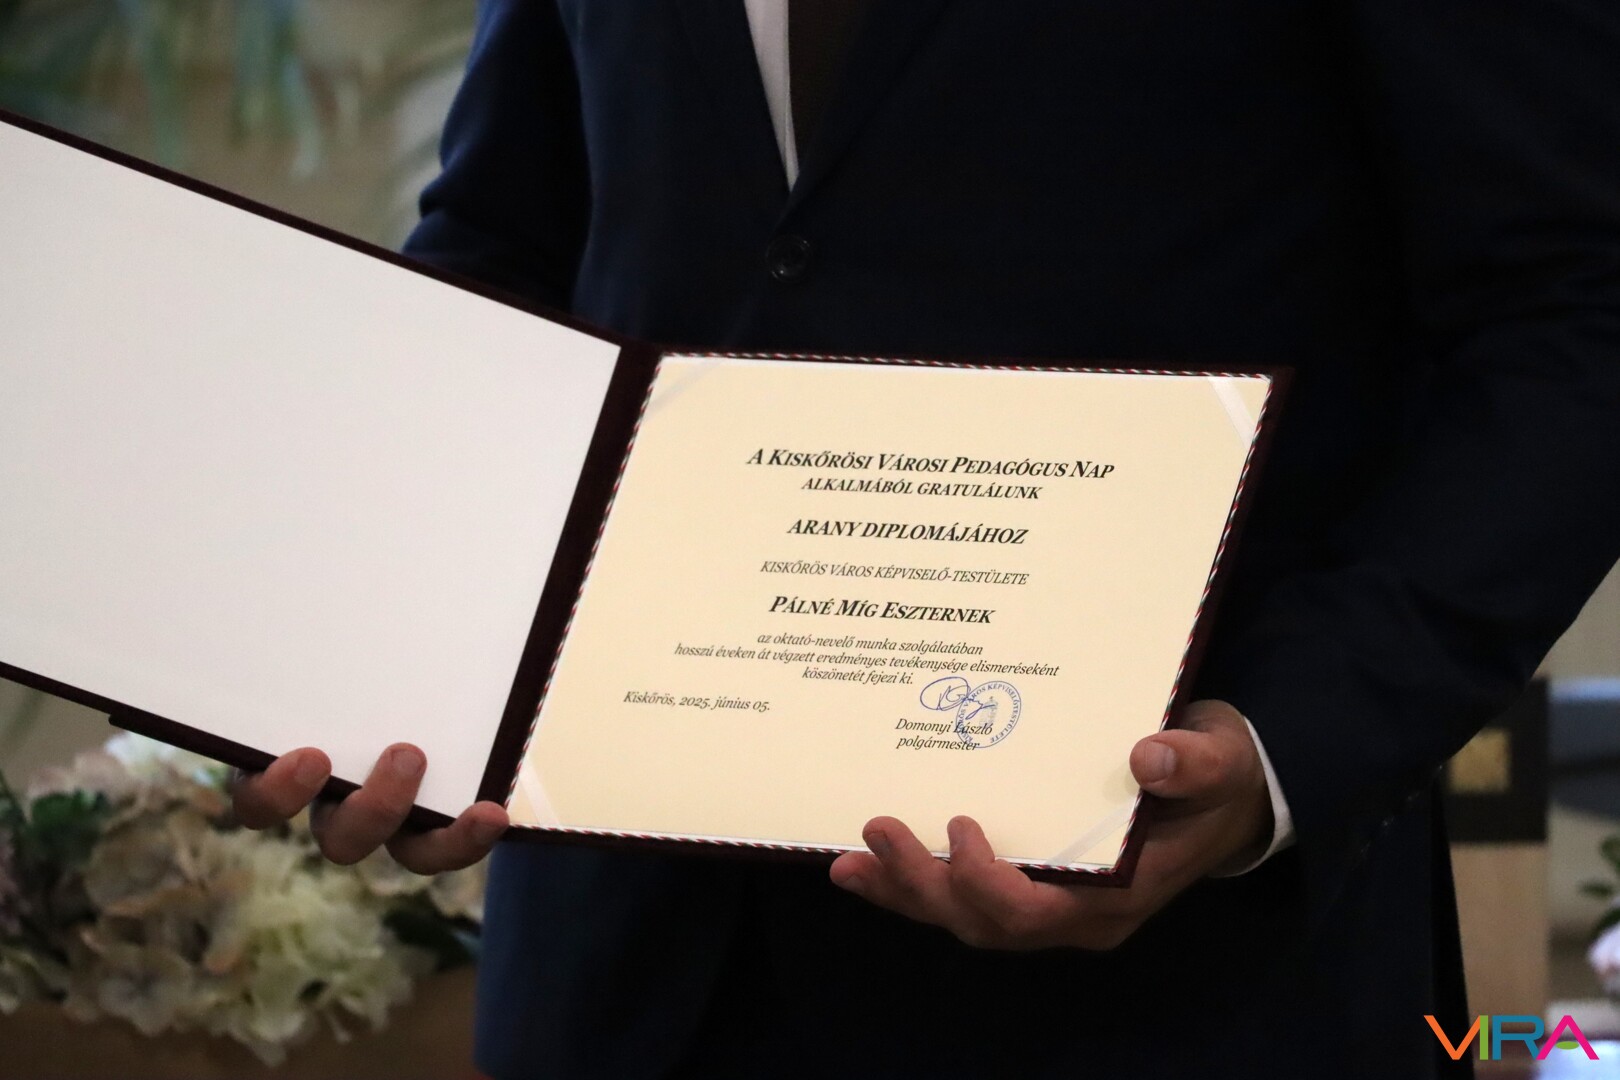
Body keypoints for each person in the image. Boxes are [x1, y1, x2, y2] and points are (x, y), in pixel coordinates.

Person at [231, 1, 1620, 1075]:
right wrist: (387, 651)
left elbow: (1575, 312)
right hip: (621, 974)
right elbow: (512, 238)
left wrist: (1279, 744)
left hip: (1172, 985)